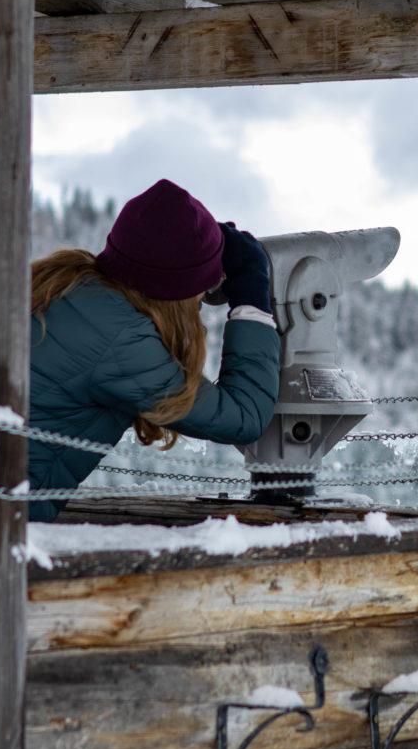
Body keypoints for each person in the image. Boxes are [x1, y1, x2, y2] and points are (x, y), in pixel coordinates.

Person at [28, 178, 280, 522]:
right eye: (200, 291)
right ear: (175, 293)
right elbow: (244, 416)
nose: (200, 305)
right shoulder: (121, 340)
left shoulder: (63, 284)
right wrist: (252, 297)